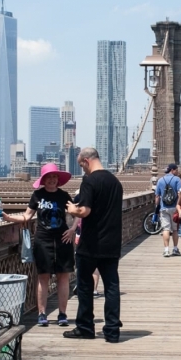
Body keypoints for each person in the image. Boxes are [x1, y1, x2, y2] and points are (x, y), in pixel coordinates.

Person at [3, 163, 75, 327]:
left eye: (54, 177)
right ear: (44, 180)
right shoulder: (37, 195)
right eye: (49, 177)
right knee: (43, 276)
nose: (52, 180)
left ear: (58, 179)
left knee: (63, 276)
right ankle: (42, 314)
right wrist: (9, 219)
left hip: (63, 240)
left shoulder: (64, 196)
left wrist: (72, 229)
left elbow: (76, 213)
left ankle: (62, 314)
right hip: (43, 240)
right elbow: (27, 217)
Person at [66, 147, 123, 343]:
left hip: (90, 244)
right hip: (112, 243)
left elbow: (85, 211)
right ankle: (113, 330)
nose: (82, 169)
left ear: (86, 161)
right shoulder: (115, 182)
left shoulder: (89, 181)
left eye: (81, 164)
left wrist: (73, 209)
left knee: (84, 286)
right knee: (112, 287)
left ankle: (85, 327)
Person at [154, 163, 181, 258]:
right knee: (175, 229)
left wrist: (157, 207)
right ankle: (175, 249)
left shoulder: (160, 180)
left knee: (166, 229)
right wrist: (180, 205)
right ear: (173, 170)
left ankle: (166, 250)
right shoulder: (177, 179)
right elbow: (180, 194)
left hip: (164, 208)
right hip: (175, 208)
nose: (177, 172)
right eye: (176, 170)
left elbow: (157, 196)